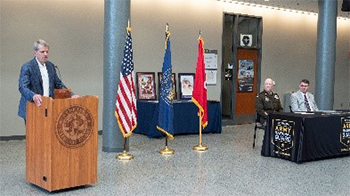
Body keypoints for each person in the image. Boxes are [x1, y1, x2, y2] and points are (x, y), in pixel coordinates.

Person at [18, 39, 79, 120]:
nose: (45, 54)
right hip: (33, 107)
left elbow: (58, 84)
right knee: (35, 132)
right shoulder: (28, 67)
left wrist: (71, 95)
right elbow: (23, 87)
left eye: (47, 52)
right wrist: (33, 96)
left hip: (48, 106)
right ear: (35, 53)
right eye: (42, 52)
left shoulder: (50, 66)